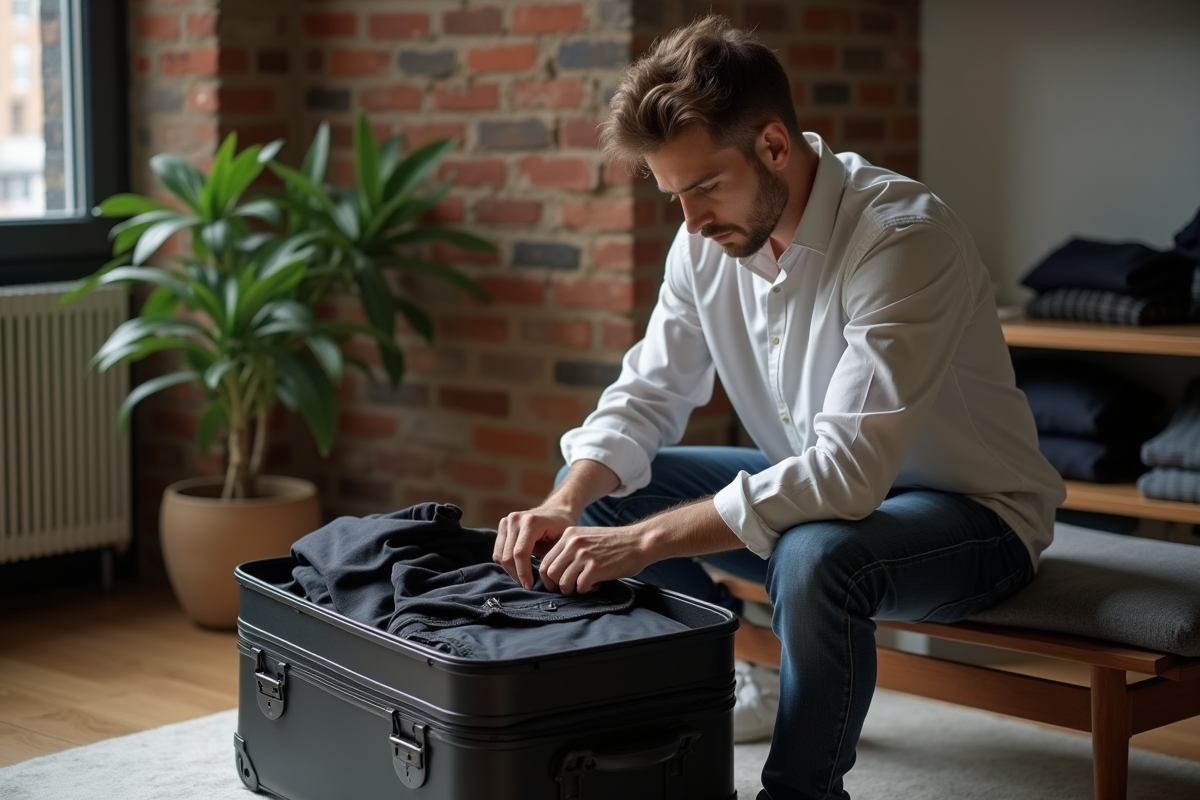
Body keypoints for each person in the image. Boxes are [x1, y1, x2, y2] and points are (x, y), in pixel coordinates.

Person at [492, 15, 1065, 800]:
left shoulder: (900, 239)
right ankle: (719, 685)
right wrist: (566, 501)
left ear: (772, 145)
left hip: (976, 518)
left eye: (704, 188)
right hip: (826, 492)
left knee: (813, 556)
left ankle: (802, 792)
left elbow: (847, 477)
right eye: (674, 196)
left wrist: (638, 545)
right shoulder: (705, 243)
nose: (690, 221)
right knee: (612, 481)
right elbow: (648, 393)